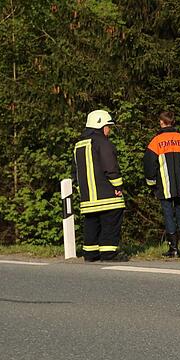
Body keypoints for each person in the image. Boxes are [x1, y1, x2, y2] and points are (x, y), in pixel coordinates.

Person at [72, 109, 128, 262]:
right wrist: (118, 187)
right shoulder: (103, 143)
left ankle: (90, 254)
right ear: (101, 125)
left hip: (88, 198)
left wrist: (81, 190)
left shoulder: (78, 145)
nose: (109, 130)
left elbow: (74, 172)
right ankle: (109, 254)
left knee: (91, 224)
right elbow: (111, 168)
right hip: (108, 195)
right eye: (108, 126)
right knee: (111, 222)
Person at [143, 110, 180, 258]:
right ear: (173, 122)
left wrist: (151, 183)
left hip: (164, 185)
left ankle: (173, 250)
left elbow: (149, 164)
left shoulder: (156, 141)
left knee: (168, 214)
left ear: (162, 122)